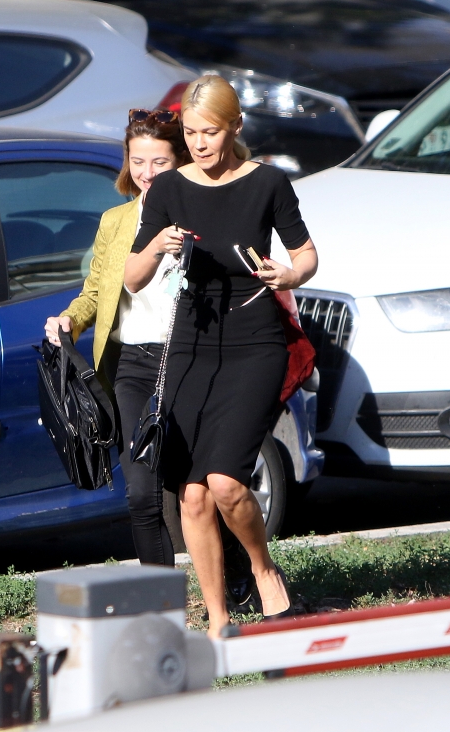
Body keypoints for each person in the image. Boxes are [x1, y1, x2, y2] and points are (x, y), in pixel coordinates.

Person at [125, 75, 319, 637]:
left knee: (227, 483)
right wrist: (157, 246)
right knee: (191, 495)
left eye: (209, 132)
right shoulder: (169, 189)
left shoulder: (268, 183)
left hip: (254, 343)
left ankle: (262, 568)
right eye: (190, 133)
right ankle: (218, 619)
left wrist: (290, 274)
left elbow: (307, 255)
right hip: (190, 346)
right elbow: (133, 279)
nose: (199, 143)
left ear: (234, 127)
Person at [44, 108, 191, 567]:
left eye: (160, 162)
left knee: (200, 492)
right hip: (132, 365)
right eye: (138, 161)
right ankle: (160, 600)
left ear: (181, 161)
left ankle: (239, 579)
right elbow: (94, 292)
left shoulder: (199, 215)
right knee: (142, 496)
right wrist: (69, 320)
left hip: (190, 361)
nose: (147, 173)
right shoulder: (116, 221)